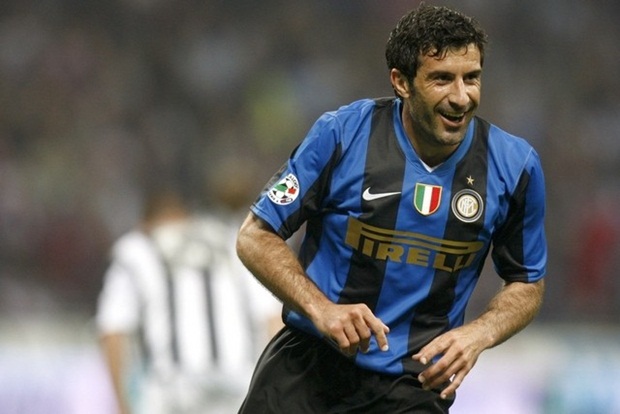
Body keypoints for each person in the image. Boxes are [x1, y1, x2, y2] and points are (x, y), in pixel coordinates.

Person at [235, 4, 546, 413]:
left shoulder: (515, 167)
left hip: (413, 386)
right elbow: (255, 236)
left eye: (471, 78)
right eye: (441, 79)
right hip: (308, 366)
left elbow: (527, 281)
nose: (461, 97)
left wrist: (479, 334)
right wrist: (321, 309)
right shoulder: (342, 135)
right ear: (401, 82)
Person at [96, 188, 280, 414]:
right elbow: (273, 318)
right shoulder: (233, 240)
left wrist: (122, 406)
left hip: (171, 388)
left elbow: (112, 330)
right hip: (239, 383)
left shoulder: (135, 249)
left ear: (144, 223)